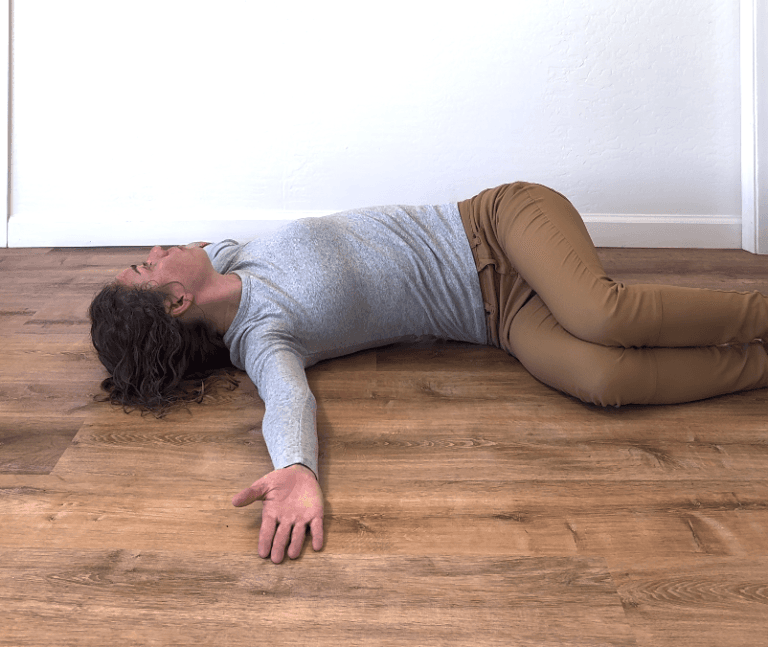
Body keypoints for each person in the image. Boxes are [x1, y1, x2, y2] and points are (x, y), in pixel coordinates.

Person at [88, 182, 768, 564]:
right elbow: (286, 398)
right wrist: (296, 467)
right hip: (498, 314)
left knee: (601, 312)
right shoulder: (262, 337)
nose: (155, 249)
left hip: (496, 225)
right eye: (147, 267)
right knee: (602, 379)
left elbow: (198, 252)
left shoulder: (231, 253)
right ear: (176, 302)